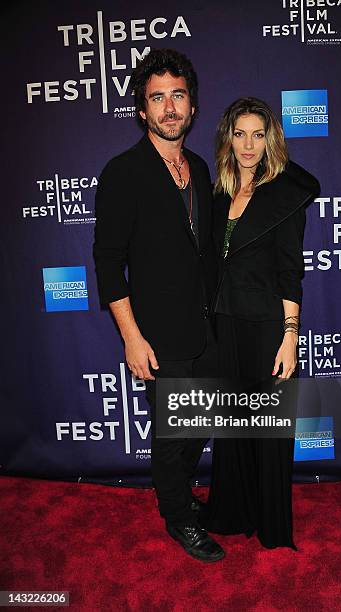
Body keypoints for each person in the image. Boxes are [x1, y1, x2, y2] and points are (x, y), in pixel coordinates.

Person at [93, 48, 224, 563]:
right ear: (142, 110)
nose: (170, 108)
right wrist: (131, 335)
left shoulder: (197, 166)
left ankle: (178, 496)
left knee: (204, 423)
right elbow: (107, 262)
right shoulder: (124, 172)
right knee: (175, 436)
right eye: (157, 99)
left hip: (206, 329)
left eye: (178, 96)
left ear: (192, 105)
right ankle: (177, 518)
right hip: (159, 335)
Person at [200, 97, 320, 549]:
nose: (248, 144)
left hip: (268, 324)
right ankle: (233, 510)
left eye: (258, 133)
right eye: (240, 133)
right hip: (225, 323)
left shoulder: (284, 194)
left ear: (270, 139)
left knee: (268, 429)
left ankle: (271, 524)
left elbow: (291, 269)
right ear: (227, 137)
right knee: (233, 424)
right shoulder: (218, 193)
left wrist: (290, 335)